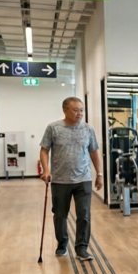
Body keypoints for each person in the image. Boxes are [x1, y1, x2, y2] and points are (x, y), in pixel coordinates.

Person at [39, 97, 102, 261]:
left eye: (81, 110)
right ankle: (62, 243)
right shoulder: (53, 128)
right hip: (60, 180)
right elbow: (44, 150)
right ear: (65, 110)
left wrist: (99, 174)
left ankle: (82, 248)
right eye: (76, 110)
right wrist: (46, 170)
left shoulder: (88, 129)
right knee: (60, 215)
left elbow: (94, 152)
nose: (80, 113)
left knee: (84, 214)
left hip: (84, 179)